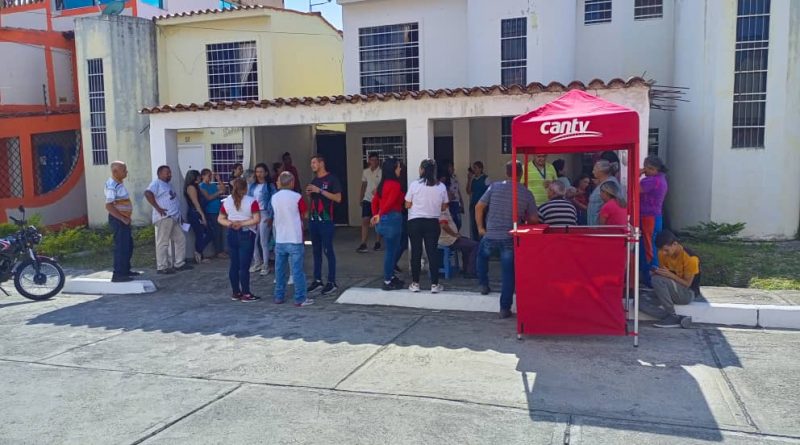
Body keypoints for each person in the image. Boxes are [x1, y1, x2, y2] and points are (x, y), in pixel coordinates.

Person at [475, 161, 538, 319]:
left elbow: (479, 206)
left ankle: (483, 284)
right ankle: (504, 308)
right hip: (509, 237)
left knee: (481, 256)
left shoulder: (494, 187)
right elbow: (534, 219)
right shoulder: (526, 193)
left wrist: (480, 228)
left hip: (491, 234)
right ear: (521, 174)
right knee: (508, 273)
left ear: (506, 172)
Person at [405, 159, 449, 293]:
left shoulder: (414, 185)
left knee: (416, 252)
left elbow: (407, 204)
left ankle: (415, 283)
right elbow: (444, 206)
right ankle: (435, 284)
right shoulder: (441, 187)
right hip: (432, 222)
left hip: (415, 222)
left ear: (422, 170)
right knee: (432, 252)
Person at [271, 171, 313, 307]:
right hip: (295, 237)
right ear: (292, 182)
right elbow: (305, 214)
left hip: (280, 238)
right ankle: (300, 298)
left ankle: (279, 296)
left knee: (279, 270)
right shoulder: (297, 197)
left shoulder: (274, 197)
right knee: (297, 270)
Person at [643, 230, 699, 328]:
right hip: (671, 289)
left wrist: (669, 275)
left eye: (666, 250)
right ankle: (677, 318)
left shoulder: (691, 259)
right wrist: (657, 272)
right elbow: (664, 276)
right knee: (639, 300)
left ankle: (671, 315)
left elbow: (687, 284)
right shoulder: (662, 254)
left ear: (675, 244)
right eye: (661, 250)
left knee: (657, 280)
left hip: (687, 293)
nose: (664, 253)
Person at [218, 179, 261, 302]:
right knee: (244, 266)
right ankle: (246, 293)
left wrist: (231, 223)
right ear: (245, 188)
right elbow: (256, 219)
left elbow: (220, 218)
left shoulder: (227, 202)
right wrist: (242, 223)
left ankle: (236, 292)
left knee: (234, 265)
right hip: (246, 233)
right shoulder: (251, 201)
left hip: (231, 232)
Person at [306, 154, 343, 296]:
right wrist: (310, 194)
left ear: (321, 163)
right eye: (311, 163)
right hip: (314, 220)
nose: (312, 165)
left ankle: (331, 281)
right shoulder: (314, 180)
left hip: (326, 220)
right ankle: (317, 279)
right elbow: (313, 200)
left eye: (314, 162)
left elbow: (338, 198)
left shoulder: (332, 179)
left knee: (328, 250)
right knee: (316, 251)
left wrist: (320, 191)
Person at [145, 165, 193, 275]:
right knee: (163, 242)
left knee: (180, 239)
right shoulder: (156, 183)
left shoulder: (168, 185)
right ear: (160, 173)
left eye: (170, 173)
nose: (170, 175)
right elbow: (147, 193)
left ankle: (179, 263)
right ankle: (162, 266)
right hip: (164, 217)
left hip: (174, 217)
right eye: (167, 173)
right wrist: (158, 208)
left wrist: (180, 217)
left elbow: (173, 201)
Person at [370, 157, 405, 290]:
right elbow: (390, 202)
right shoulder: (395, 185)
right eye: (398, 167)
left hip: (383, 221)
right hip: (392, 219)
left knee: (393, 249)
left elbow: (374, 201)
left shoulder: (383, 184)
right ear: (393, 169)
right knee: (391, 251)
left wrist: (376, 214)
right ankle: (387, 280)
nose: (400, 169)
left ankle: (390, 276)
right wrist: (379, 214)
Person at [104, 161, 138, 283]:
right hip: (118, 220)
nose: (126, 172)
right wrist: (122, 218)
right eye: (124, 170)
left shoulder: (119, 183)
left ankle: (126, 270)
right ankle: (118, 274)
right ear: (115, 171)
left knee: (128, 245)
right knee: (121, 246)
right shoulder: (112, 185)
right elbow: (109, 205)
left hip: (123, 219)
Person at [640, 155, 669, 285]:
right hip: (655, 217)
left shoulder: (652, 181)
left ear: (652, 168)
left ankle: (651, 278)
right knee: (651, 246)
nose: (644, 170)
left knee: (648, 248)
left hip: (649, 217)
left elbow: (635, 189)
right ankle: (650, 275)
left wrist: (636, 174)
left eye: (646, 168)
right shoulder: (661, 179)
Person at [248, 163, 276, 276]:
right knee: (253, 240)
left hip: (264, 213)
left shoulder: (270, 186)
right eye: (257, 172)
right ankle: (257, 262)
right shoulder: (252, 186)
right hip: (253, 214)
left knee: (263, 241)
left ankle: (265, 264)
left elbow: (273, 202)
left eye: (261, 172)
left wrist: (271, 217)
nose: (258, 174)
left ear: (266, 173)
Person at [438, 208, 478, 277]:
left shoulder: (444, 209)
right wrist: (454, 234)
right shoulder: (442, 210)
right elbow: (444, 225)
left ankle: (467, 269)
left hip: (450, 238)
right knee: (475, 245)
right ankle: (471, 271)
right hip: (449, 239)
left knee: (467, 244)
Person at [184, 169, 212, 264]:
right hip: (195, 213)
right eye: (198, 176)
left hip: (198, 212)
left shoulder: (197, 187)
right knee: (201, 234)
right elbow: (196, 203)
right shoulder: (191, 188)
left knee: (207, 233)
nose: (200, 178)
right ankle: (198, 253)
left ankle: (199, 252)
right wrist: (202, 216)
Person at [199, 169, 228, 258]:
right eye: (208, 175)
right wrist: (218, 193)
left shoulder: (213, 185)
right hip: (211, 211)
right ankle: (218, 251)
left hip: (218, 210)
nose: (210, 177)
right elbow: (208, 197)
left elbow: (224, 190)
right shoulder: (202, 186)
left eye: (211, 175)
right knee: (216, 231)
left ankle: (221, 250)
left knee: (220, 231)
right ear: (203, 176)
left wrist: (218, 179)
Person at [358, 152, 382, 253]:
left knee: (377, 221)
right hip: (367, 199)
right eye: (372, 160)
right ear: (369, 161)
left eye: (376, 160)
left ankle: (377, 242)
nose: (374, 162)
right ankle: (363, 243)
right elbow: (363, 185)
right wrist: (361, 197)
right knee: (365, 220)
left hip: (378, 200)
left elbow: (383, 185)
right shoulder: (366, 172)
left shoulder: (381, 172)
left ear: (378, 161)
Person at [587, 159, 622, 225]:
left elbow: (615, 203)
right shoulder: (603, 183)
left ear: (601, 171)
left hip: (601, 226)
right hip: (594, 226)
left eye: (594, 169)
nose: (592, 172)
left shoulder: (610, 183)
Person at [466, 161, 489, 240]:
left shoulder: (486, 178)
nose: (474, 170)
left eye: (475, 168)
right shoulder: (473, 179)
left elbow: (489, 193)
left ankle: (483, 242)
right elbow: (468, 191)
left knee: (482, 224)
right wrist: (469, 179)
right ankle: (475, 243)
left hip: (483, 205)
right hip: (474, 204)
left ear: (480, 169)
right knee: (474, 226)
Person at [441, 161, 465, 231]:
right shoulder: (444, 179)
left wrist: (461, 202)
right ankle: (453, 235)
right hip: (450, 203)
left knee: (459, 222)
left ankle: (455, 234)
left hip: (456, 202)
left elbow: (458, 190)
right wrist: (450, 195)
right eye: (451, 167)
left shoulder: (454, 177)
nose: (453, 169)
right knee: (453, 221)